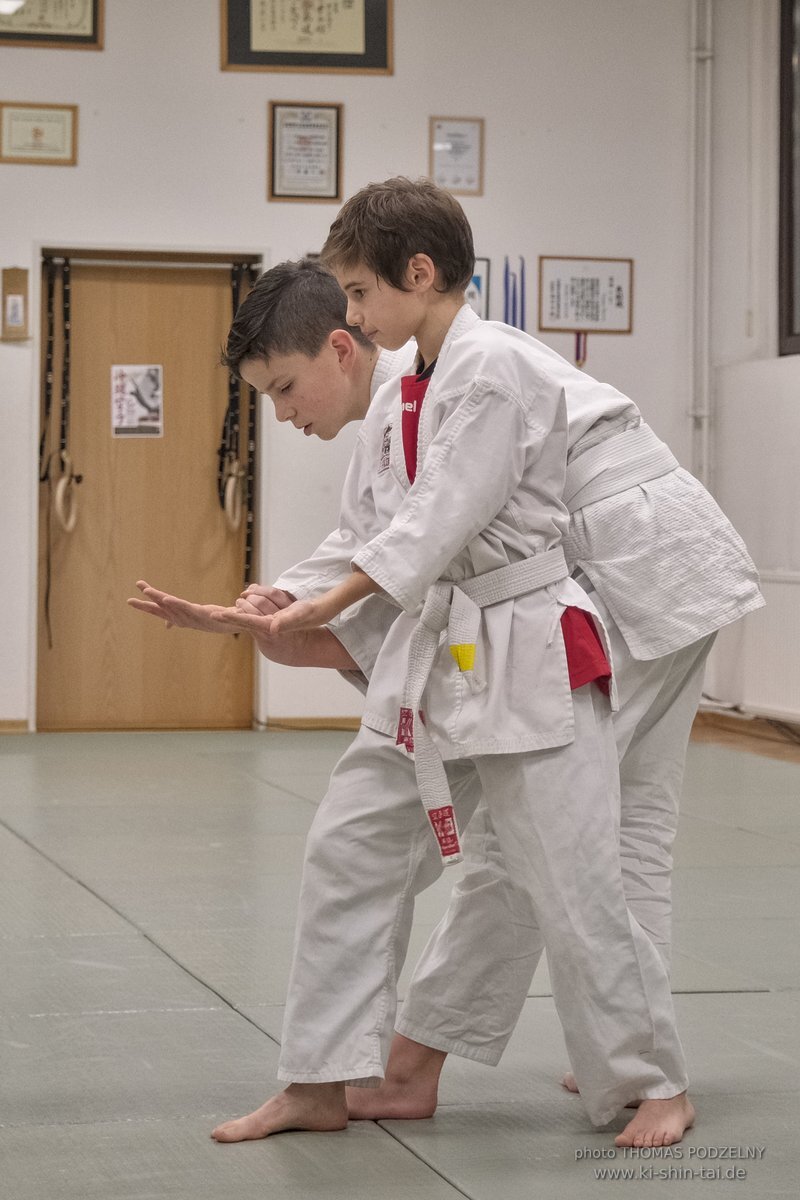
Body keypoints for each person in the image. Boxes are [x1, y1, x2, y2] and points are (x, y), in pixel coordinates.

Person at [131, 234, 762, 1148]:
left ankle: (567, 1065)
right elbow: (371, 537)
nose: (284, 415)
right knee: (517, 840)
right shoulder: (403, 399)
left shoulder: (471, 374)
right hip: (508, 624)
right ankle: (376, 1068)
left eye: (283, 391)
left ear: (346, 341)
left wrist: (313, 610)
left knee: (570, 843)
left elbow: (412, 543)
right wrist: (280, 602)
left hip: (632, 583)